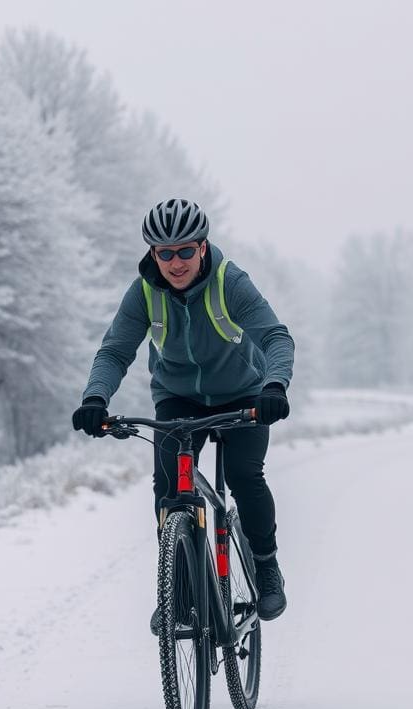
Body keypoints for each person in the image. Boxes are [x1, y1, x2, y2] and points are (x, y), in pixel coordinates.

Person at [72, 198, 295, 632]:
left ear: (203, 247)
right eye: (166, 253)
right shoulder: (143, 292)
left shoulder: (231, 282)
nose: (176, 263)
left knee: (246, 478)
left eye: (186, 251)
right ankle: (178, 592)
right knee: (169, 485)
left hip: (244, 395)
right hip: (178, 398)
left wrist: (274, 386)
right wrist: (95, 399)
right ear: (153, 254)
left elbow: (275, 338)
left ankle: (266, 565)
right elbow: (115, 351)